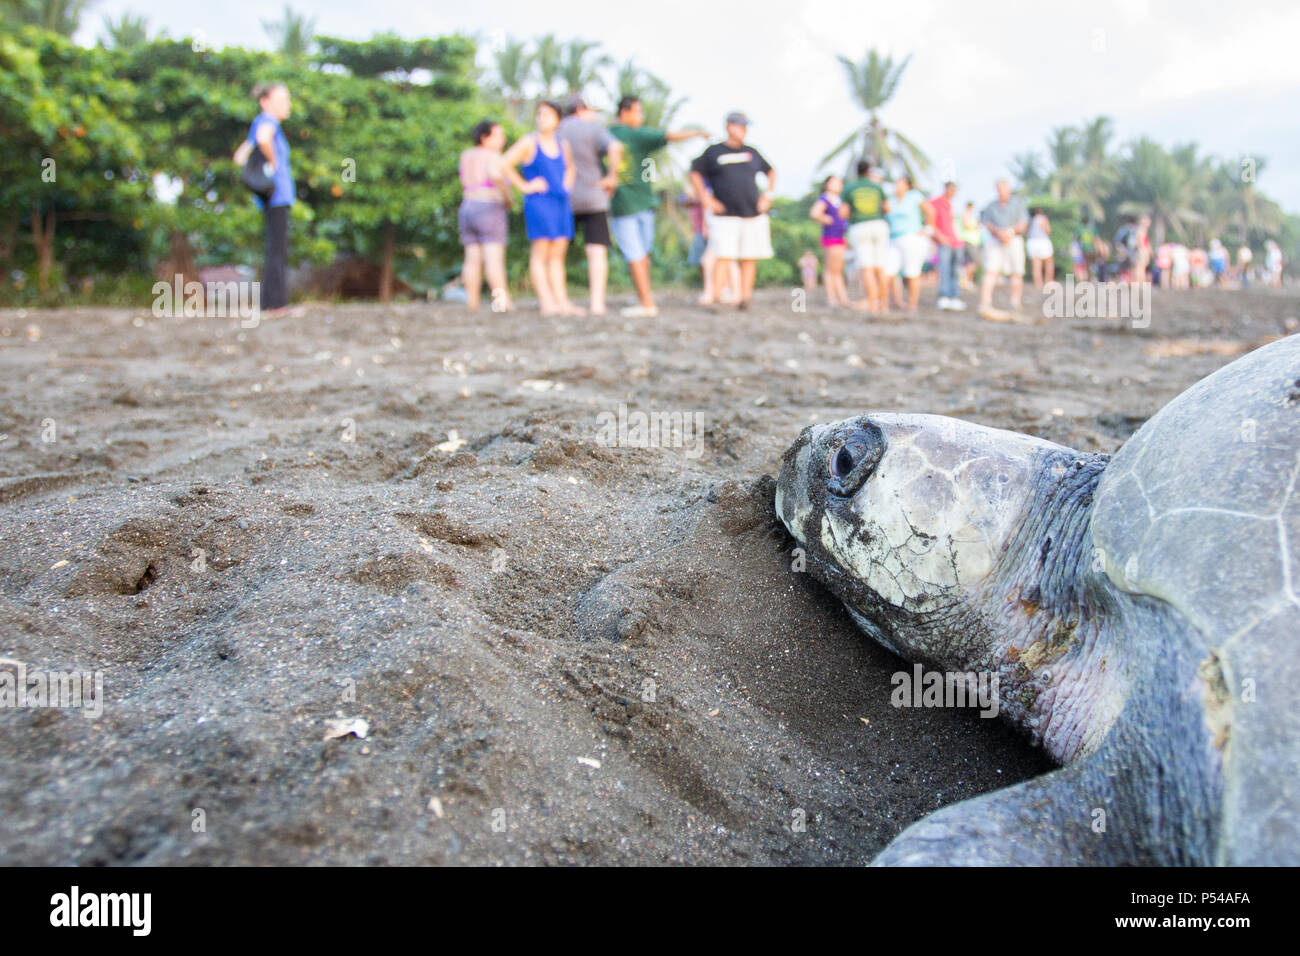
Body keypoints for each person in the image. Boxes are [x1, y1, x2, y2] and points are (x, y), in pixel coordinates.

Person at [608, 96, 708, 318]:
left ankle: (645, 300)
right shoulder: (634, 134)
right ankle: (646, 301)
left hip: (636, 203)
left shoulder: (611, 135)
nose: (641, 118)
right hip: (632, 203)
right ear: (625, 112)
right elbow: (670, 135)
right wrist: (698, 133)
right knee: (639, 254)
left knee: (639, 254)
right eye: (638, 112)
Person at [689, 112, 775, 311]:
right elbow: (694, 173)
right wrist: (705, 199)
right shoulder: (714, 152)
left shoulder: (752, 152)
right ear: (729, 126)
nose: (744, 130)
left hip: (752, 212)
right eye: (740, 126)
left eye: (746, 126)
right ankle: (717, 296)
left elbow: (771, 171)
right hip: (725, 214)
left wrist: (767, 196)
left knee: (749, 256)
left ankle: (744, 299)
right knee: (723, 255)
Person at [501, 101, 580, 317]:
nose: (541, 118)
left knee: (558, 255)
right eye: (539, 114)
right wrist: (525, 186)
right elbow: (504, 163)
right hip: (539, 203)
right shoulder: (529, 142)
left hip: (560, 202)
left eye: (547, 114)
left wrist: (567, 184)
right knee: (541, 253)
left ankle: (562, 302)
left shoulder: (562, 144)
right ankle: (546, 302)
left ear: (557, 119)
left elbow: (571, 167)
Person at [232, 82, 300, 318]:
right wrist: (273, 163)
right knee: (277, 251)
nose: (287, 105)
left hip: (271, 197)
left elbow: (239, 157)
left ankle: (271, 303)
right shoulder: (267, 122)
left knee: (274, 249)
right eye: (282, 100)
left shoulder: (260, 123)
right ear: (265, 102)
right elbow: (262, 139)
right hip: (277, 196)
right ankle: (276, 305)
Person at [558, 95, 623, 316]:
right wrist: (612, 176)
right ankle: (597, 304)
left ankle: (560, 302)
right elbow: (615, 147)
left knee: (557, 253)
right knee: (596, 251)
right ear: (580, 109)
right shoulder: (593, 128)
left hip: (562, 198)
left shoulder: (556, 130)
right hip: (594, 195)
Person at [456, 119, 513, 312]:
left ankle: (471, 303)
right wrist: (507, 198)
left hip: (467, 206)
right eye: (498, 135)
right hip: (489, 206)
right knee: (493, 259)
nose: (502, 140)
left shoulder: (466, 155)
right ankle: (501, 303)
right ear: (484, 137)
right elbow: (495, 176)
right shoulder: (493, 156)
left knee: (472, 259)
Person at [842, 160, 890, 315]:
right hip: (879, 225)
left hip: (860, 227)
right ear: (869, 171)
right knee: (880, 267)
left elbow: (844, 213)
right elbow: (887, 208)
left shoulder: (849, 188)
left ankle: (872, 303)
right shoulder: (877, 188)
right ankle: (884, 304)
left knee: (867, 268)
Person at [977, 179, 1028, 320]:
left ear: (1009, 189)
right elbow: (986, 223)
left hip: (1014, 239)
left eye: (1003, 188)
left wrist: (1010, 232)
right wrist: (998, 232)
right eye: (999, 189)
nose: (1001, 191)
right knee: (990, 271)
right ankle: (985, 301)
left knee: (1016, 272)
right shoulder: (991, 206)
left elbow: (1023, 223)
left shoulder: (1018, 204)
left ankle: (1015, 302)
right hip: (995, 239)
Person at [886, 174, 933, 313]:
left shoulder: (914, 196)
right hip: (894, 238)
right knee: (889, 271)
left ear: (907, 185)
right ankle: (897, 301)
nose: (897, 185)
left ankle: (913, 305)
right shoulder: (892, 200)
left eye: (900, 183)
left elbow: (930, 211)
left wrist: (928, 229)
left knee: (912, 272)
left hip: (911, 236)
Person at [809, 175, 850, 307]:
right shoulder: (825, 198)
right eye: (833, 182)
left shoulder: (840, 200)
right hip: (830, 236)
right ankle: (831, 298)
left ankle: (843, 298)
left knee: (838, 270)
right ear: (826, 184)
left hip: (840, 236)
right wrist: (825, 219)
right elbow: (814, 213)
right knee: (830, 269)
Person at [1026, 207, 1054, 290]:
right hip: (1042, 241)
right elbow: (1048, 230)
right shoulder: (1042, 218)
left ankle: (1038, 285)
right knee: (1049, 262)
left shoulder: (1029, 219)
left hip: (1031, 242)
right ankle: (1049, 283)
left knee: (1036, 265)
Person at [960, 201, 981, 289]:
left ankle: (968, 281)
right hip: (969, 241)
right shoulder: (965, 215)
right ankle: (964, 279)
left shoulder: (972, 216)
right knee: (975, 262)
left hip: (974, 241)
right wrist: (976, 226)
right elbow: (966, 226)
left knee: (970, 263)